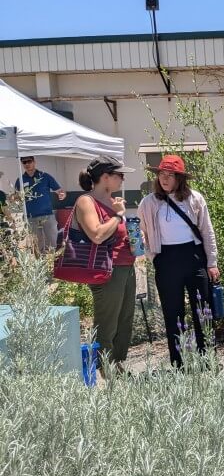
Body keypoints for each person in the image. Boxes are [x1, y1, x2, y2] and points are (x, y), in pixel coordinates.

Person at [138, 155, 220, 368]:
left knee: (203, 310)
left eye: (170, 175)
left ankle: (206, 359)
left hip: (194, 256)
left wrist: (212, 262)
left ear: (180, 178)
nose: (164, 179)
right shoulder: (149, 202)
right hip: (166, 259)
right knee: (173, 312)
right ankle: (179, 363)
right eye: (161, 174)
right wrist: (152, 255)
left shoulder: (194, 199)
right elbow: (142, 232)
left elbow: (207, 231)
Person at [73, 155, 136, 373]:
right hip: (106, 270)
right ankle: (105, 368)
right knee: (108, 322)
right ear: (105, 177)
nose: (123, 179)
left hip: (126, 266)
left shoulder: (112, 202)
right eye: (120, 175)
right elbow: (97, 235)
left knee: (125, 319)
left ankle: (117, 364)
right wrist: (118, 217)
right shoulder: (86, 201)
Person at [15, 156, 66, 252]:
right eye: (24, 162)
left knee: (53, 241)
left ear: (34, 162)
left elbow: (59, 190)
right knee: (37, 245)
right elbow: (16, 197)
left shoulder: (45, 176)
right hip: (31, 217)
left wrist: (62, 194)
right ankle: (41, 266)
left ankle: (54, 265)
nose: (27, 164)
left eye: (29, 161)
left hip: (47, 216)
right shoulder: (20, 180)